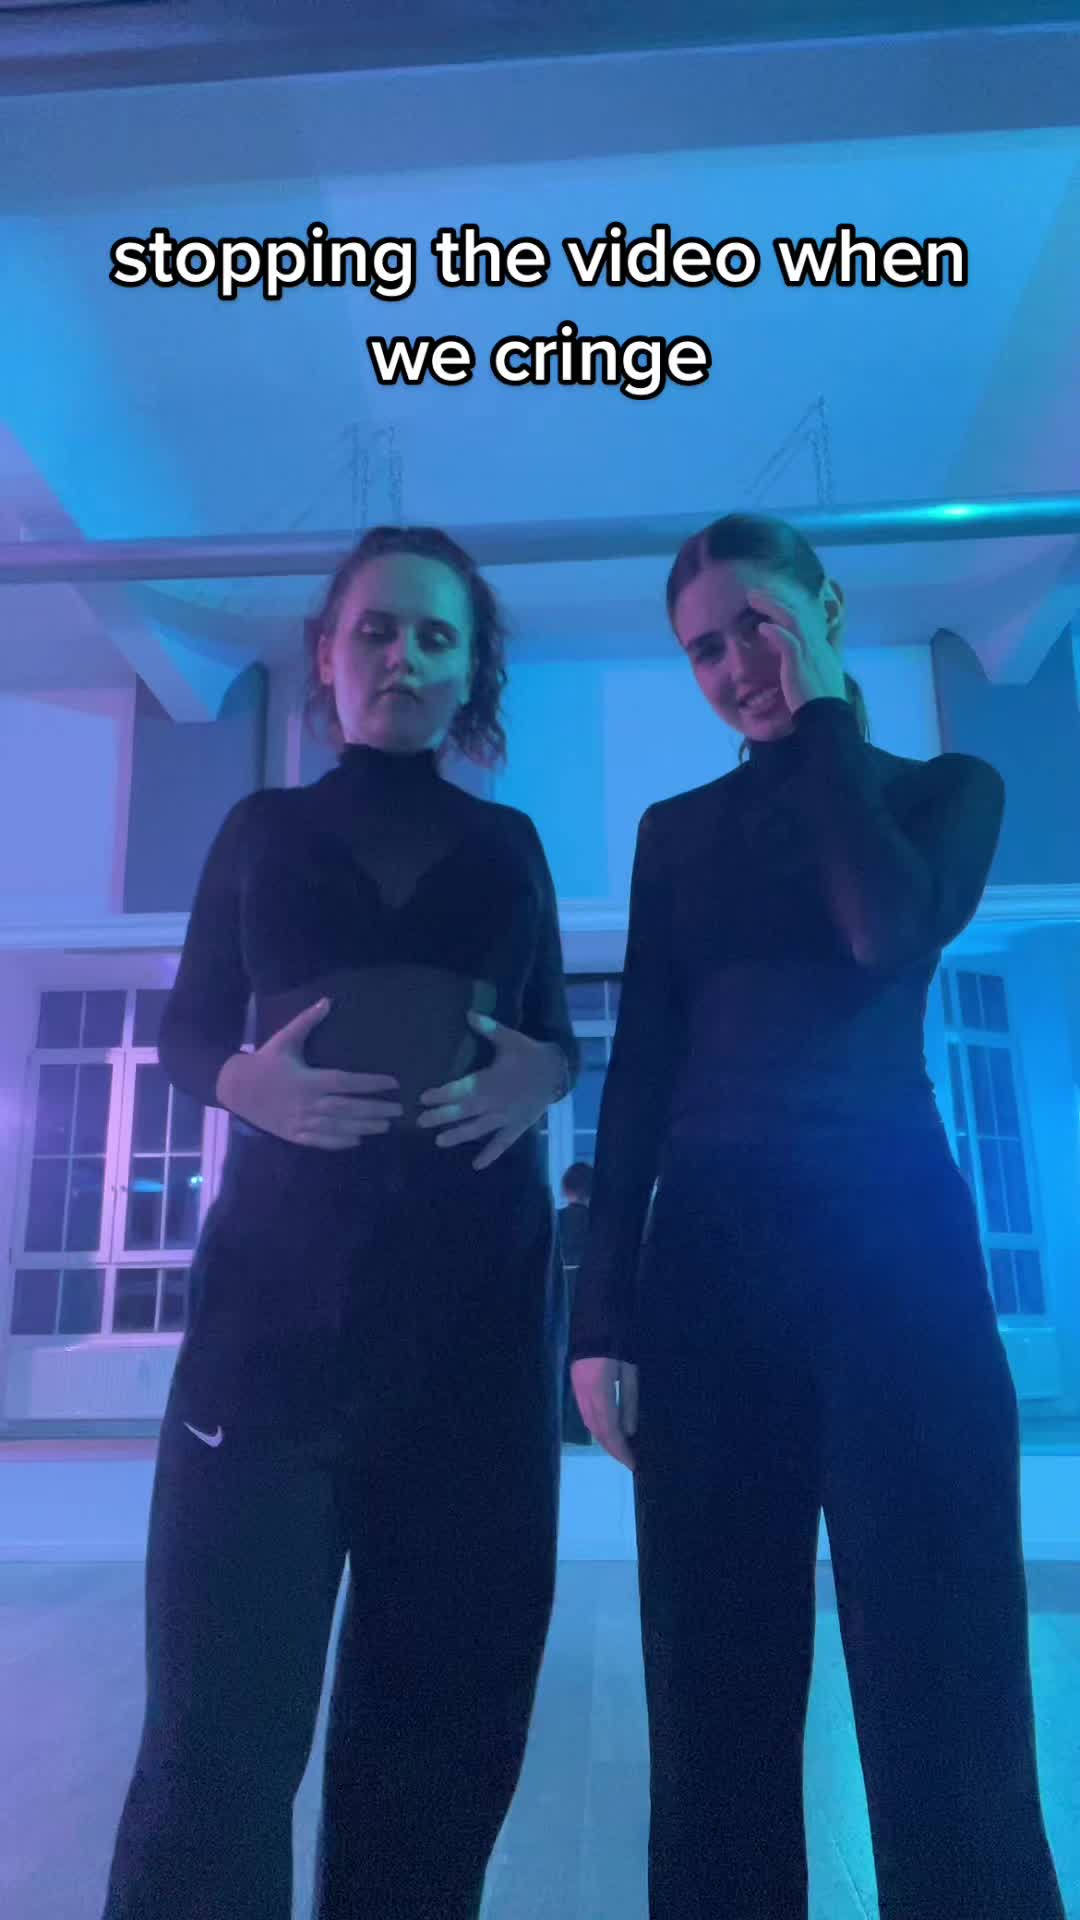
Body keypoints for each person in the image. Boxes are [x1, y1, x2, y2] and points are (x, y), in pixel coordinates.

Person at [569, 513, 1065, 1920]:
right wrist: (599, 1318)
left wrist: (825, 719)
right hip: (710, 1272)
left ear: (829, 610)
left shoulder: (947, 791)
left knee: (947, 1670)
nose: (736, 666)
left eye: (760, 626)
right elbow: (640, 1076)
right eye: (704, 649)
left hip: (899, 1264)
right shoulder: (677, 836)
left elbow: (881, 929)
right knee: (712, 1684)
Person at [101, 525, 578, 1920]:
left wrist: (551, 1076)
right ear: (327, 652)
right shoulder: (260, 831)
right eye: (377, 629)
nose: (404, 657)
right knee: (215, 1736)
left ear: (472, 669)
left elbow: (553, 1034)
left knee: (437, 1741)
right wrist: (239, 1083)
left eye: (437, 636)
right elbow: (190, 1031)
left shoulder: (510, 846)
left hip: (473, 1340)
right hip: (271, 1339)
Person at [556, 1162, 594, 1444]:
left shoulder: (555, 1220)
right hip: (588, 1294)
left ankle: (557, 1423)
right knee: (583, 1361)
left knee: (559, 1358)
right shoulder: (597, 1223)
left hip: (560, 1294)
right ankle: (579, 1428)